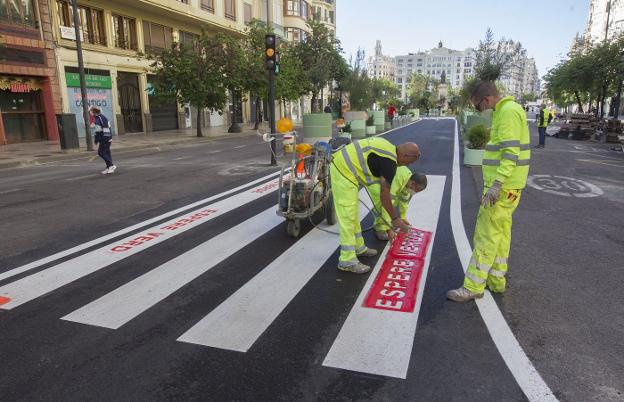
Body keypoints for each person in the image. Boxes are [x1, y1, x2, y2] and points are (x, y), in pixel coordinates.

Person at [447, 81, 530, 302]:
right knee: (501, 233)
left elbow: (510, 153)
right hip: (511, 186)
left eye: (477, 106)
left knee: (486, 234)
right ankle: (496, 280)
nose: (479, 110)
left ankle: (473, 286)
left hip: (501, 187)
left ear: (486, 99)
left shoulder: (508, 113)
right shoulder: (510, 110)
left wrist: (496, 184)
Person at [330, 137, 421, 274]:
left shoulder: (389, 149)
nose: (407, 165)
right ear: (405, 155)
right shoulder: (389, 163)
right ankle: (347, 261)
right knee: (348, 217)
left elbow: (380, 192)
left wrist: (389, 222)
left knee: (354, 213)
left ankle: (359, 248)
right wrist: (395, 219)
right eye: (410, 161)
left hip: (349, 171)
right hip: (343, 171)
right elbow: (384, 196)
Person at [368, 167, 428, 241]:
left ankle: (383, 224)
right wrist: (389, 229)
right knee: (381, 203)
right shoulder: (398, 179)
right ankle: (381, 229)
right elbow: (387, 203)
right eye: (417, 190)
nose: (415, 192)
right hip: (376, 181)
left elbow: (404, 201)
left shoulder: (408, 181)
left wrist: (403, 217)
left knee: (392, 204)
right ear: (413, 183)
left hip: (386, 181)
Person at [91, 107, 116, 174]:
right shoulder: (99, 118)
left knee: (101, 153)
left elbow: (102, 130)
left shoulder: (100, 119)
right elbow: (98, 130)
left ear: (95, 112)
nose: (91, 113)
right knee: (107, 153)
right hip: (105, 138)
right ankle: (108, 167)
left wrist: (99, 140)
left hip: (105, 139)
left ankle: (111, 165)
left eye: (91, 112)